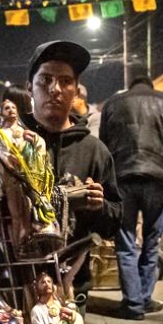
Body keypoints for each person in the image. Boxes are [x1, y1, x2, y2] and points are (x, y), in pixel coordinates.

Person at [21, 40, 121, 309]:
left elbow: (114, 222)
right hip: (16, 284)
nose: (55, 89)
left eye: (65, 81)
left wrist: (98, 207)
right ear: (29, 88)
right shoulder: (10, 144)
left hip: (71, 286)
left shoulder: (94, 150)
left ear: (76, 90)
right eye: (45, 80)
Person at [99, 70, 163, 319]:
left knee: (125, 242)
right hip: (157, 177)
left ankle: (133, 304)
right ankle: (144, 298)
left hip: (122, 177)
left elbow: (102, 143)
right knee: (152, 239)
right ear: (150, 84)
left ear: (131, 84)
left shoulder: (113, 103)